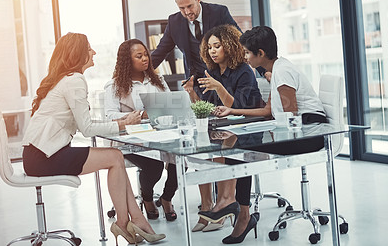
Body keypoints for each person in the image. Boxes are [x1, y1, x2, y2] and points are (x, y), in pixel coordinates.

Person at [21, 33, 166, 245]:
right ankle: (126, 221)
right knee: (114, 157)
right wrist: (124, 123)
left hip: (38, 154)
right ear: (78, 53)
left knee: (115, 156)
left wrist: (122, 120)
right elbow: (87, 129)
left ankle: (136, 219)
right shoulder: (75, 80)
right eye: (89, 49)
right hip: (44, 156)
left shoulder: (65, 79)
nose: (94, 52)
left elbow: (85, 123)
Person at [212, 26, 327, 244]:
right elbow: (268, 111)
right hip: (298, 127)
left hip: (309, 131)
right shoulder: (276, 69)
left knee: (241, 151)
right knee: (239, 148)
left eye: (247, 53)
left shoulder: (281, 72)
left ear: (261, 53)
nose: (245, 57)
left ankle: (242, 214)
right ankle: (239, 210)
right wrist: (233, 111)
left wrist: (268, 133)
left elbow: (291, 115)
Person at [183, 24, 264, 233]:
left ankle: (223, 205)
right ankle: (208, 206)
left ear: (228, 46)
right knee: (203, 153)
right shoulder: (212, 71)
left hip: (248, 126)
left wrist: (219, 87)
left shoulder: (244, 71)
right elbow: (207, 108)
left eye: (217, 46)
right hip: (225, 125)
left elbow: (237, 108)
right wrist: (192, 93)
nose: (212, 51)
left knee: (217, 149)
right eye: (209, 47)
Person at [104, 38, 178, 222]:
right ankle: (147, 199)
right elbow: (109, 116)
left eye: (146, 54)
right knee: (155, 165)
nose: (145, 59)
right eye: (139, 56)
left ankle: (167, 198)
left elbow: (170, 106)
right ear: (127, 61)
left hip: (160, 136)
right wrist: (132, 117)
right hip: (129, 141)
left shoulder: (158, 80)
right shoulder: (114, 86)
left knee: (180, 158)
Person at [151, 0, 242, 91]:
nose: (187, 12)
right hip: (196, 85)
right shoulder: (174, 22)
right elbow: (160, 52)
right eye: (182, 8)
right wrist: (136, 74)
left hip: (225, 81)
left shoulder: (219, 13)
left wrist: (264, 70)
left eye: (190, 6)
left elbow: (240, 41)